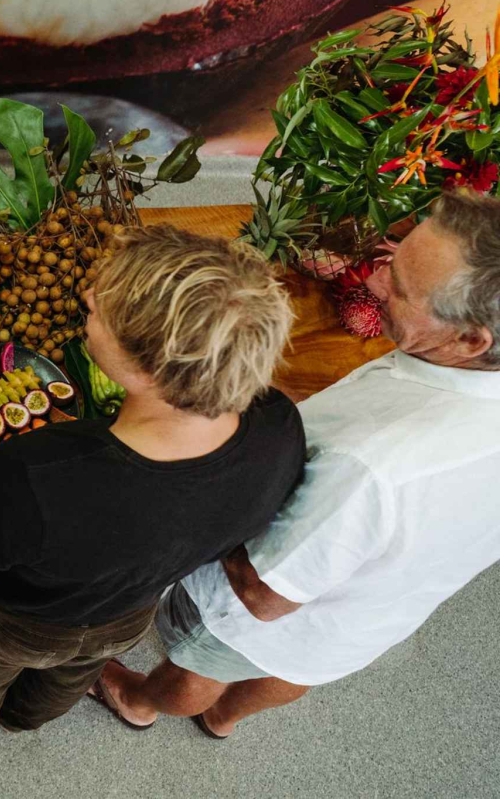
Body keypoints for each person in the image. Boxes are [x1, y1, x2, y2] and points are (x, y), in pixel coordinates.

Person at [93, 190, 500, 738]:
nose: (373, 282)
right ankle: (223, 719)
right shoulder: (460, 380)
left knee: (201, 662)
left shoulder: (375, 465)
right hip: (371, 610)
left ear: (471, 339)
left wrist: (195, 494)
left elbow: (264, 595)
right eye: (393, 260)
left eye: (400, 289)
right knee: (299, 666)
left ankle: (140, 700)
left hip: (272, 598)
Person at [0, 226, 303, 737]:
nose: (86, 296)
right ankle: (26, 718)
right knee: (68, 676)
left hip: (12, 623)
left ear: (144, 368)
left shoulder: (37, 472)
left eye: (102, 307)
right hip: (128, 617)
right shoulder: (280, 427)